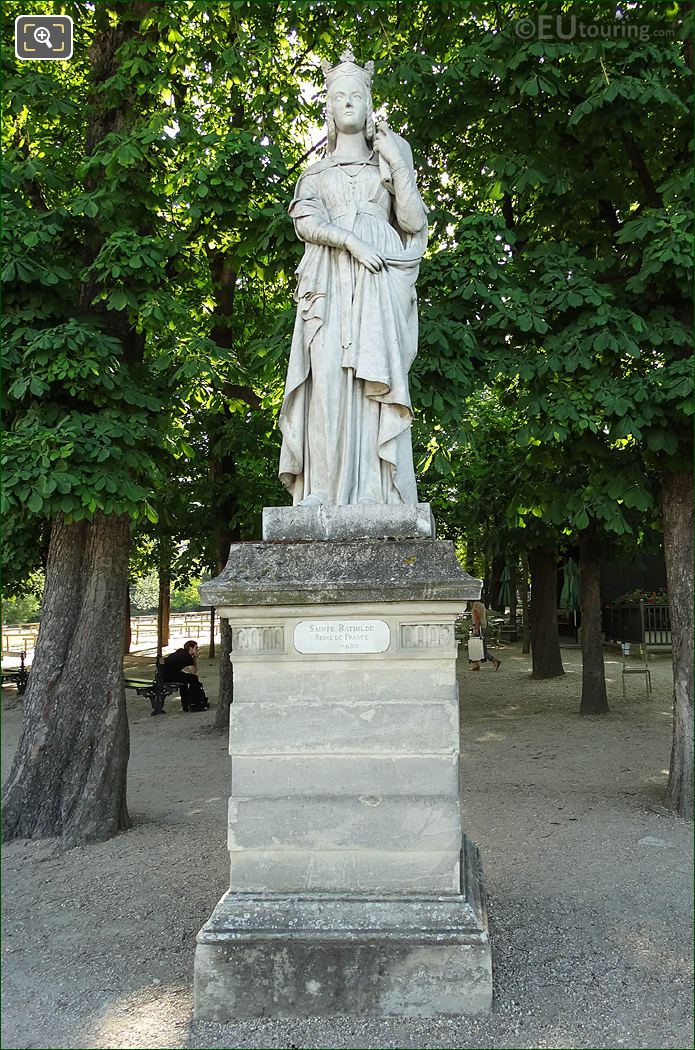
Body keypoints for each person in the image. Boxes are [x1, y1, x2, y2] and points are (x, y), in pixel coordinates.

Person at [278, 48, 429, 507]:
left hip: (379, 283)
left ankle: (372, 490)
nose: (346, 103)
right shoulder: (315, 173)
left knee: (370, 383)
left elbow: (414, 222)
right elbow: (304, 220)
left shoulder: (386, 164)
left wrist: (397, 161)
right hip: (328, 282)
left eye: (356, 96)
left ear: (368, 106)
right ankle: (321, 489)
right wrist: (350, 241)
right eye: (338, 96)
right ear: (327, 107)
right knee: (325, 380)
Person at [161, 640, 209, 712]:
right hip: (168, 676)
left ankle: (186, 705)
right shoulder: (187, 657)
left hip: (163, 674)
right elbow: (193, 672)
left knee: (185, 680)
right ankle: (193, 703)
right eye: (196, 648)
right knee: (194, 678)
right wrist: (194, 659)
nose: (197, 649)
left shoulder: (181, 652)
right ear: (190, 648)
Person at [469, 600, 501, 672]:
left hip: (479, 627)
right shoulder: (481, 604)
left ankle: (494, 660)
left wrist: (476, 628)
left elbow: (477, 615)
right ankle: (475, 665)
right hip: (483, 626)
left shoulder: (476, 604)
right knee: (477, 646)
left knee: (478, 647)